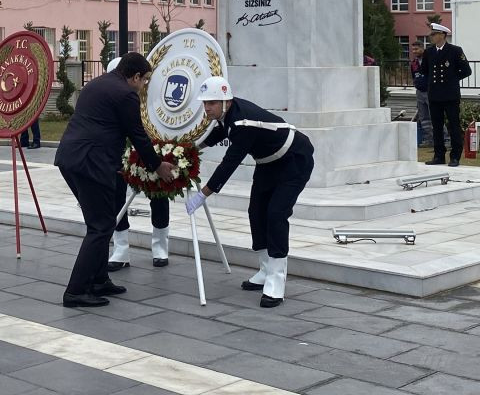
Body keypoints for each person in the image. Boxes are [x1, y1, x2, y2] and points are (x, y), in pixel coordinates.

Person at [54, 53, 174, 308]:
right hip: (91, 163)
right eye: (144, 81)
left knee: (101, 222)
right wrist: (157, 165)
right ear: (135, 76)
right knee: (100, 226)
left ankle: (99, 280)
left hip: (70, 159)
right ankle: (75, 291)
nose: (143, 86)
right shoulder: (125, 93)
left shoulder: (96, 83)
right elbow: (137, 134)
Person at [185, 75, 315, 308]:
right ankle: (265, 270)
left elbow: (230, 162)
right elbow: (215, 135)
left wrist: (202, 194)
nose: (207, 107)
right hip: (268, 163)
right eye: (205, 103)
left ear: (226, 101)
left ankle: (276, 281)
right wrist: (188, 150)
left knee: (276, 214)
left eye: (212, 103)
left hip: (294, 160)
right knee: (256, 212)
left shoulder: (243, 123)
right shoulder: (228, 116)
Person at [108, 57, 172, 270]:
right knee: (117, 197)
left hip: (151, 147)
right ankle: (121, 249)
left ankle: (160, 246)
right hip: (121, 149)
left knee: (159, 195)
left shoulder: (150, 94)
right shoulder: (117, 95)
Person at [419, 23, 473, 166]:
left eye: (434, 34)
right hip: (435, 94)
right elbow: (425, 70)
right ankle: (439, 156)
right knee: (436, 126)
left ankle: (455, 156)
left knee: (453, 125)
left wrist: (453, 79)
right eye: (431, 34)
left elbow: (467, 70)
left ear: (442, 35)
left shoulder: (455, 51)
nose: (432, 37)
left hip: (450, 94)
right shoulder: (429, 52)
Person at [410, 50, 432, 147]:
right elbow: (413, 76)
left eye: (416, 49)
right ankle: (429, 139)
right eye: (413, 49)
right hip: (419, 92)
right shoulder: (414, 63)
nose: (414, 51)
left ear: (422, 49)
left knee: (435, 116)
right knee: (424, 118)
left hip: (430, 91)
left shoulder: (428, 60)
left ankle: (445, 139)